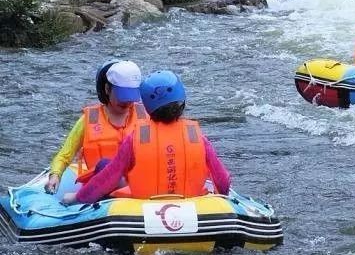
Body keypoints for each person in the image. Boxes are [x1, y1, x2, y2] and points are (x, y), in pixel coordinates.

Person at [62, 71, 231, 205]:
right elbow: (222, 179)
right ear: (182, 102)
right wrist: (223, 199)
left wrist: (78, 198)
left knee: (105, 169)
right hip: (190, 203)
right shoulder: (199, 137)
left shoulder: (135, 138)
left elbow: (109, 177)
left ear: (148, 108)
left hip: (142, 205)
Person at [45, 60, 147, 194]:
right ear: (107, 89)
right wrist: (55, 175)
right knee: (104, 165)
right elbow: (65, 154)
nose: (127, 101)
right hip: (100, 190)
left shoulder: (145, 117)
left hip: (138, 187)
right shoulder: (89, 119)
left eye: (130, 96)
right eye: (122, 95)